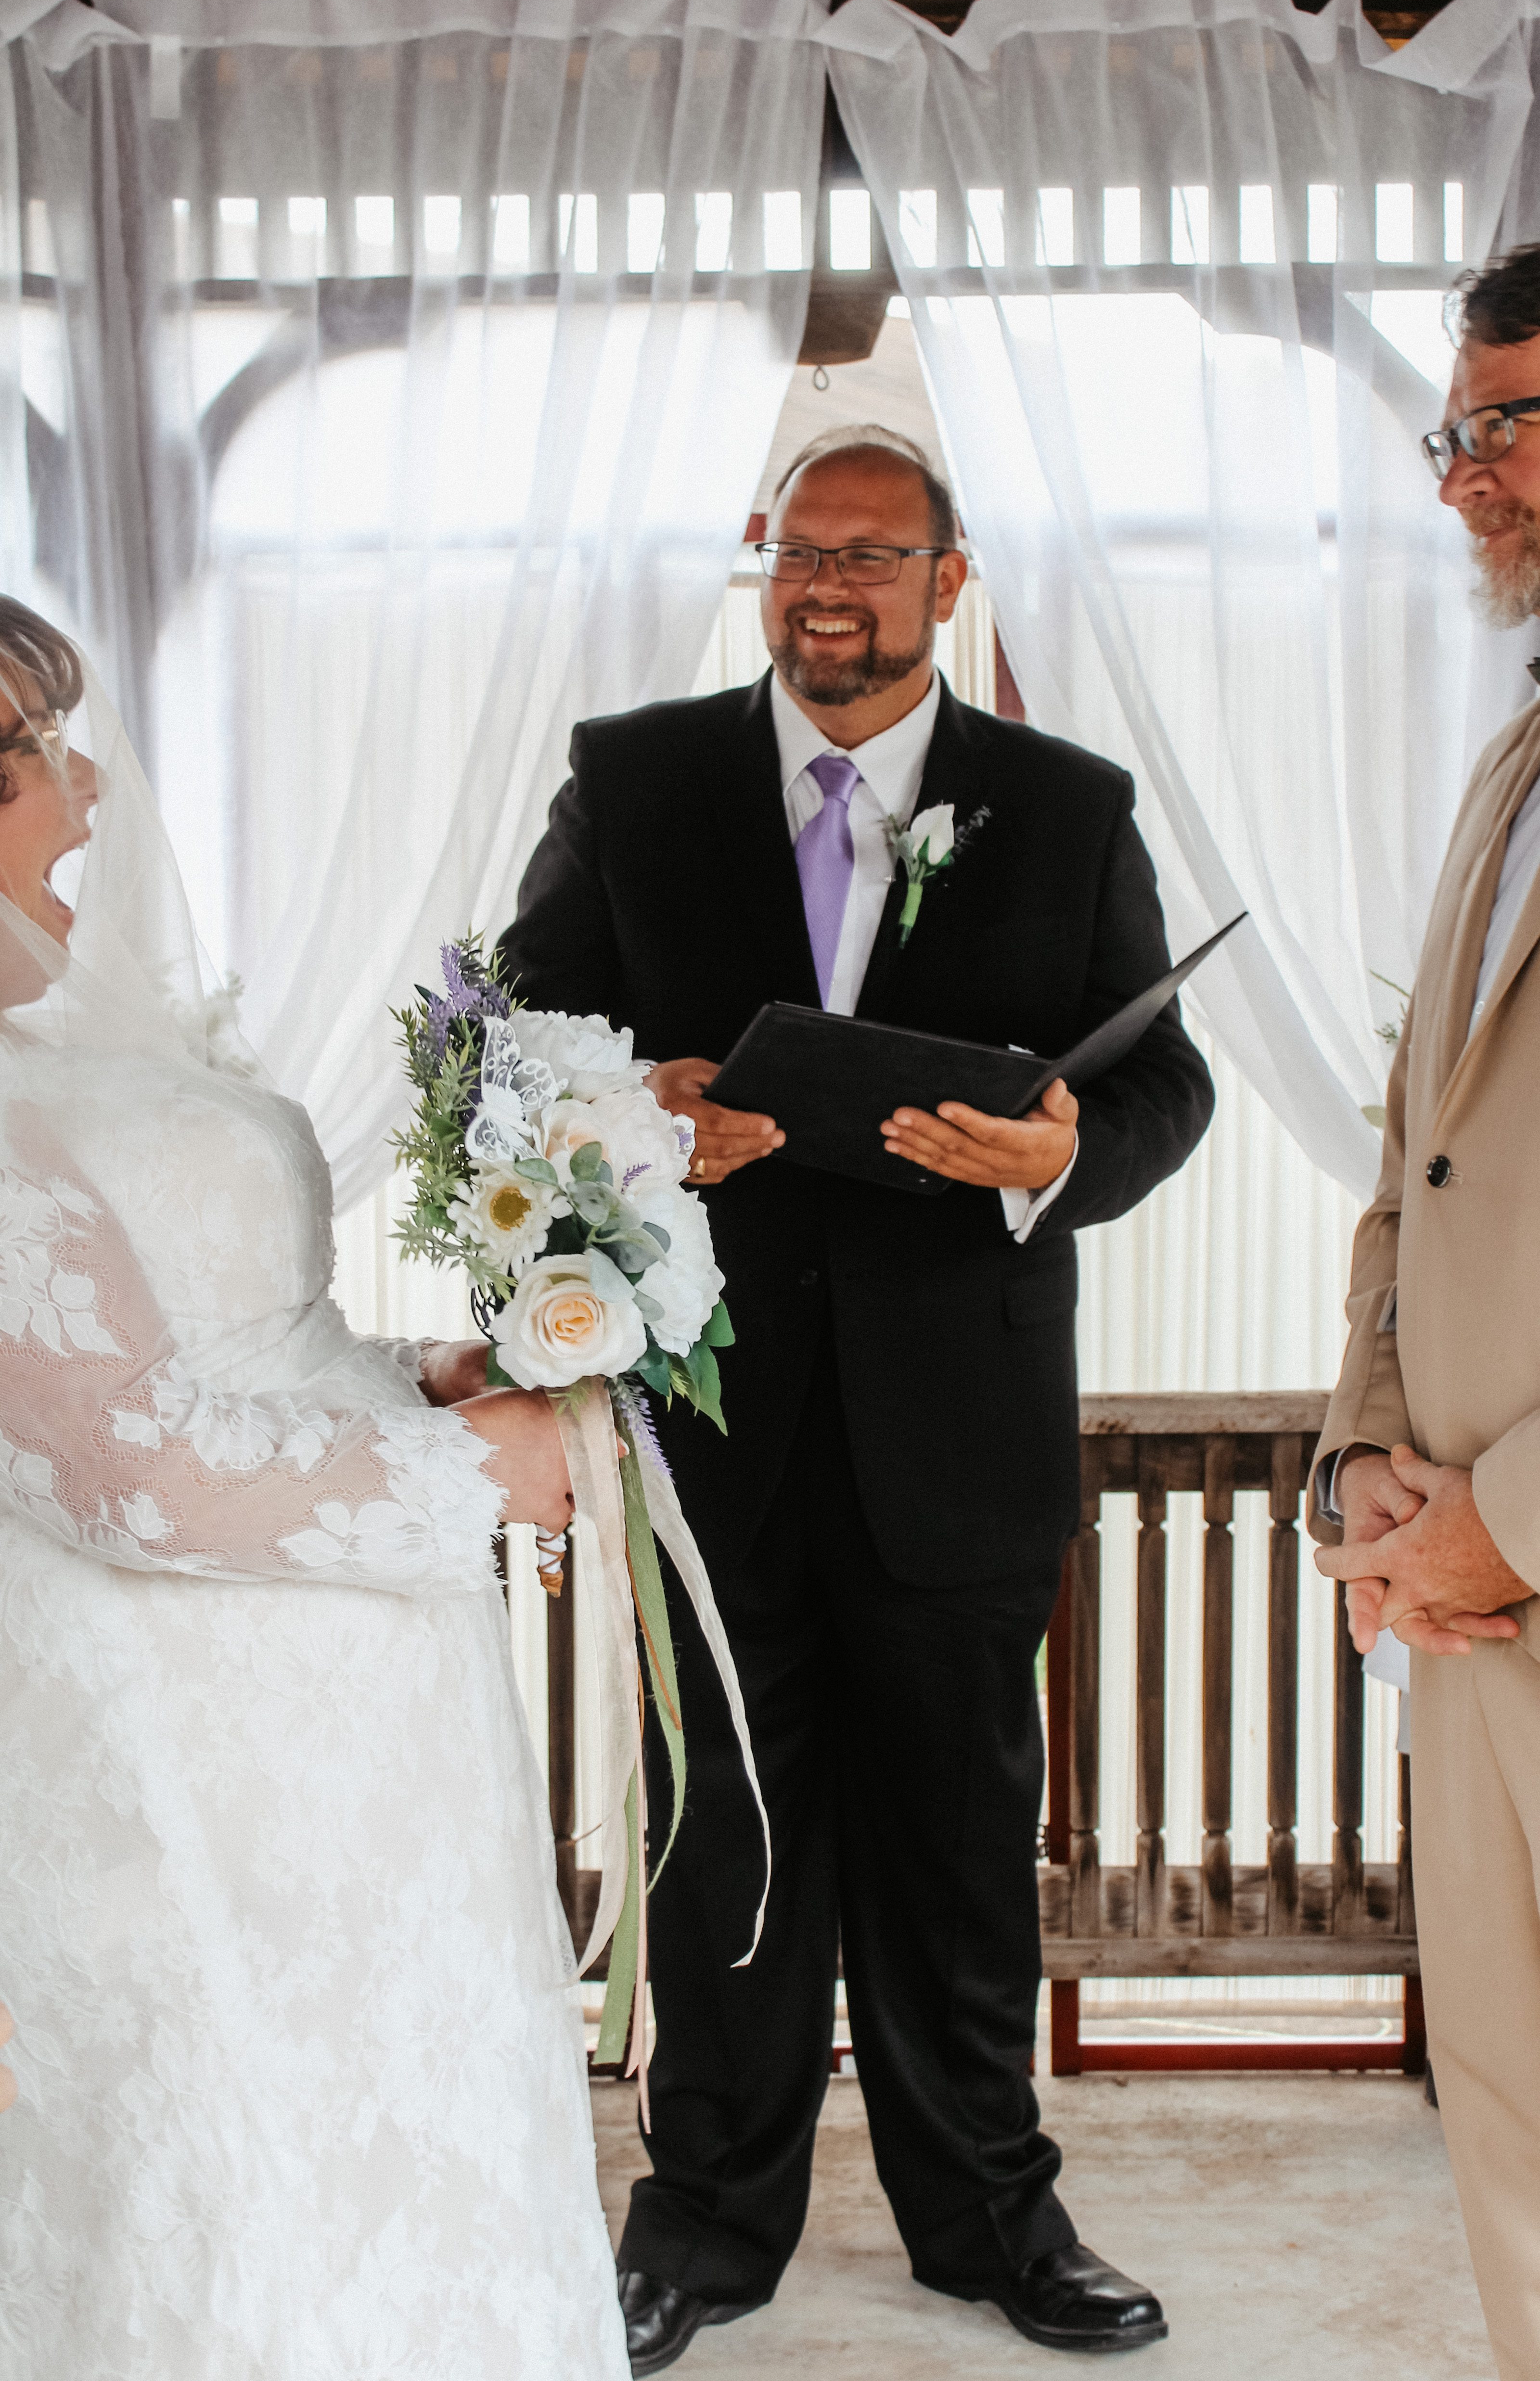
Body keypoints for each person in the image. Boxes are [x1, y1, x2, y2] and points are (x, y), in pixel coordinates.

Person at [500, 426, 1214, 2370]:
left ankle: (992, 2215)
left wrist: (1051, 1157)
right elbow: (519, 1042)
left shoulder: (1065, 807)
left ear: (948, 578)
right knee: (718, 1843)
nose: (830, 587)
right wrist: (626, 1126)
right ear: (763, 568)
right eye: (798, 552)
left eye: (873, 555)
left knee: (961, 1855)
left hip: (959, 1441)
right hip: (708, 1438)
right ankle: (704, 2226)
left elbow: (1161, 1087)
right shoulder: (632, 780)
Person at [0, 601, 631, 2378]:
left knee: (401, 2159)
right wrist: (467, 1470)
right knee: (238, 2175)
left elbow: (228, 1345)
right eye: (37, 756)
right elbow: (117, 1464)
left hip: (355, 1764)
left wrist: (413, 1372)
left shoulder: (73, 1048)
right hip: (171, 1760)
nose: (84, 794)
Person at [1310, 219, 1540, 2381]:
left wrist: (1535, 1514)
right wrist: (1359, 1465)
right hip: (1478, 1616)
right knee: (1525, 2159)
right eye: (1455, 425)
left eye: (1503, 423)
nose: (1458, 478)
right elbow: (1418, 1145)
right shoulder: (1524, 752)